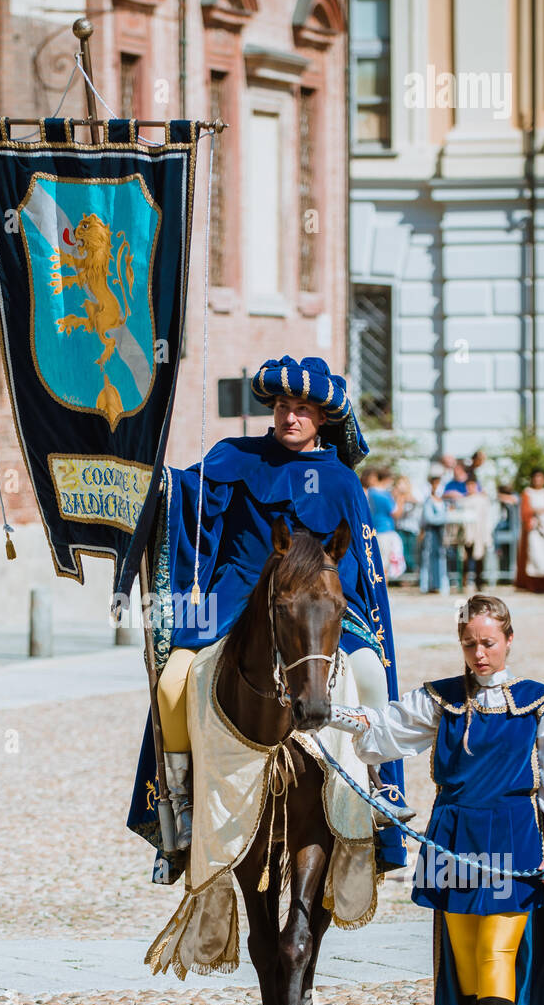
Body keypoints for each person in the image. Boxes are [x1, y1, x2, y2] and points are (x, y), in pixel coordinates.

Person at [127, 354, 410, 882]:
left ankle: (378, 785)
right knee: (171, 683)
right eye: (282, 407)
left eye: (302, 410)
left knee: (370, 672)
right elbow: (187, 502)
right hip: (235, 597)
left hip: (319, 607)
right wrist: (155, 481)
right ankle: (181, 803)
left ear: (321, 418)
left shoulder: (343, 482)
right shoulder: (234, 457)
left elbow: (359, 567)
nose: (289, 418)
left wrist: (338, 609)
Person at [327, 594, 544, 1005]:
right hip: (453, 833)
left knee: (497, 948)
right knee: (464, 952)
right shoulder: (441, 700)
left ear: (509, 640)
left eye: (488, 643)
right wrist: (332, 713)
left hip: (512, 836)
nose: (479, 653)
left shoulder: (538, 702)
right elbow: (385, 729)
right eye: (470, 644)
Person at [516, 468, 544, 593]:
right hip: (533, 528)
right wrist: (535, 511)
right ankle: (533, 585)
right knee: (534, 556)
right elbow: (525, 511)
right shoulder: (527, 493)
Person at [367, 468, 406, 583]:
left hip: (375, 530)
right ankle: (383, 592)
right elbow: (396, 513)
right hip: (385, 531)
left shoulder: (371, 492)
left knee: (378, 563)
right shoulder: (383, 495)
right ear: (387, 479)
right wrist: (401, 497)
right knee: (384, 566)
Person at [460, 472, 495, 592]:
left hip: (480, 532)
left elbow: (487, 517)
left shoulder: (482, 500)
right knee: (465, 558)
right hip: (467, 533)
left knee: (479, 558)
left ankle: (479, 582)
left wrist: (487, 533)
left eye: (472, 485)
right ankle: (465, 582)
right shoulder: (463, 500)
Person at [420, 465, 450, 594]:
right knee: (429, 558)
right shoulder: (428, 501)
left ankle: (439, 584)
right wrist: (445, 517)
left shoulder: (443, 502)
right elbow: (430, 518)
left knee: (440, 558)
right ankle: (429, 585)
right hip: (431, 533)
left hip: (440, 533)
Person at [393, 475, 421, 575]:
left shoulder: (413, 493)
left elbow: (417, 501)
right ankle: (403, 574)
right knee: (402, 552)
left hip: (412, 528)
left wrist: (404, 496)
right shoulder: (396, 496)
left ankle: (412, 572)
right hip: (400, 527)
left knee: (411, 552)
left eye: (402, 483)